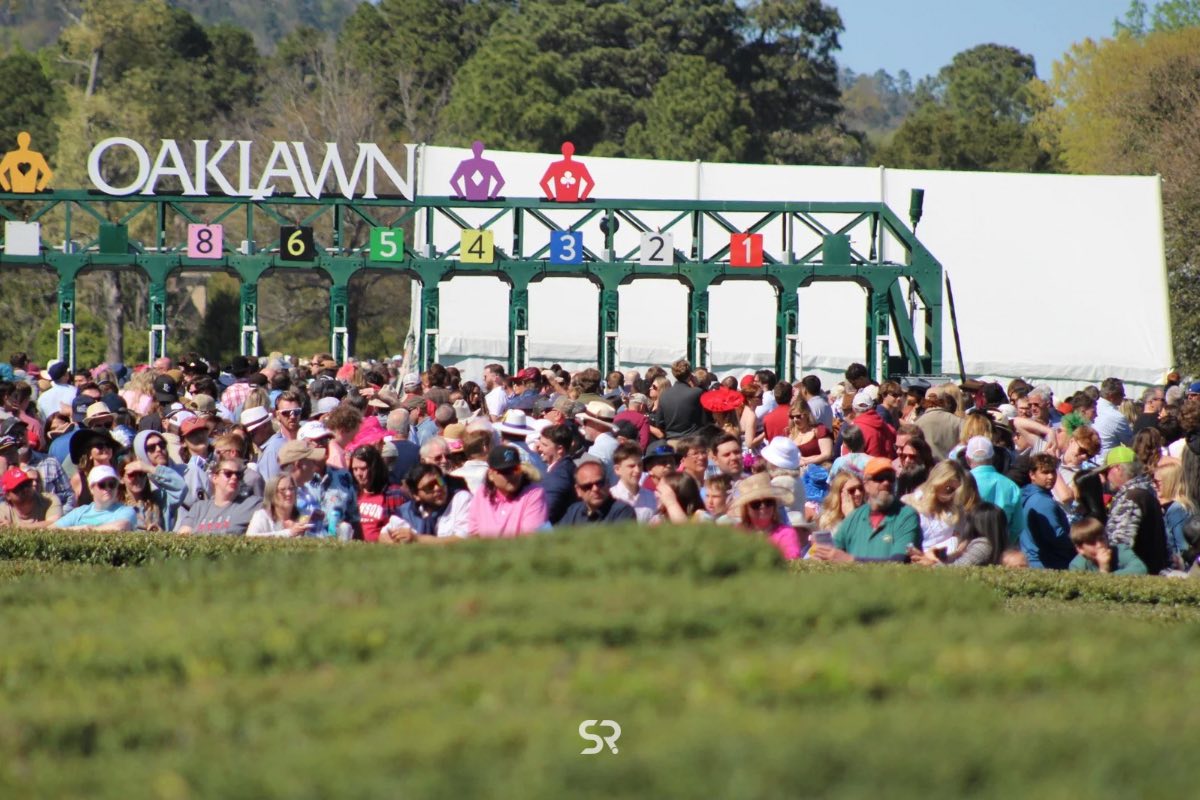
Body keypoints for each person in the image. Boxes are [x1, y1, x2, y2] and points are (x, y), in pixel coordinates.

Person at [810, 457, 921, 562]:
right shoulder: (856, 516)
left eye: (890, 478)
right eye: (879, 478)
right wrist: (821, 553)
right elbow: (834, 552)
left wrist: (851, 560)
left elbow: (899, 562)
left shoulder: (906, 515)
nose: (886, 483)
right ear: (866, 484)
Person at [1102, 445, 1167, 574]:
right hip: (1154, 572)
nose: (1105, 478)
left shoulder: (1130, 498)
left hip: (1136, 577)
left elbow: (1120, 545)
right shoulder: (1146, 492)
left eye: (1106, 472)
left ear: (1118, 468)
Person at [467, 446, 547, 537]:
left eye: (516, 469)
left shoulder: (533, 494)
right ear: (491, 474)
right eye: (506, 471)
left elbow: (530, 538)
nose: (513, 475)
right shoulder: (482, 494)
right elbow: (474, 534)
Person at [904, 460, 978, 552]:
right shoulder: (908, 502)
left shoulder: (957, 510)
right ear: (937, 481)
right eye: (948, 489)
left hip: (944, 561)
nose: (951, 495)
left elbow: (962, 542)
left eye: (956, 490)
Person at [175, 457, 262, 535]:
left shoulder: (253, 504)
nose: (234, 477)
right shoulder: (199, 508)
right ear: (214, 478)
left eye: (238, 475)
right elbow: (183, 536)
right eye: (228, 473)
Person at [964, 435, 1024, 545]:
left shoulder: (960, 484)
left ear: (967, 459)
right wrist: (1005, 545)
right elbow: (1017, 526)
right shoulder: (1011, 486)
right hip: (1001, 549)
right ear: (993, 458)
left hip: (967, 549)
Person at [907, 502, 1007, 567]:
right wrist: (926, 557)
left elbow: (959, 568)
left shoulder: (983, 545)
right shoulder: (988, 543)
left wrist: (932, 565)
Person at [1019, 453, 1074, 569]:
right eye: (1045, 472)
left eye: (1053, 472)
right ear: (1032, 475)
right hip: (1046, 564)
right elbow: (1056, 536)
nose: (1050, 477)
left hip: (1032, 560)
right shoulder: (1043, 502)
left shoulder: (1027, 495)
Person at [55, 465, 138, 531]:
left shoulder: (126, 511)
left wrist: (89, 530)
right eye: (102, 484)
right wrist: (77, 529)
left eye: (112, 484)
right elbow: (50, 530)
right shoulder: (80, 512)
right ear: (91, 488)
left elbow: (121, 527)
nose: (108, 488)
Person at [349, 445, 405, 542]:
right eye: (355, 469)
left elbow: (403, 527)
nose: (358, 474)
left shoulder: (394, 494)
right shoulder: (351, 494)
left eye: (363, 468)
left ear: (374, 468)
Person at [559, 460, 637, 526]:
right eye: (588, 486)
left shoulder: (622, 512)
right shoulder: (574, 511)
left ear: (607, 483)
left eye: (600, 483)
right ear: (578, 490)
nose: (595, 489)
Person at [1069, 516, 1147, 575]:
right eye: (1092, 543)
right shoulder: (1077, 565)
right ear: (1080, 548)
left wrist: (1109, 576)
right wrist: (1103, 569)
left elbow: (1140, 569)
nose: (1099, 545)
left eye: (1101, 539)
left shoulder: (1120, 550)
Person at [655, 358, 705, 440]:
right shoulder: (697, 392)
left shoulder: (664, 395)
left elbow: (659, 423)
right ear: (690, 374)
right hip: (692, 441)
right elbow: (705, 420)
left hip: (671, 441)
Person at [609, 441, 656, 522]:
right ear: (617, 469)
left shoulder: (652, 497)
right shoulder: (611, 498)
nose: (637, 470)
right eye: (631, 466)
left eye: (640, 465)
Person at [1093, 377, 1133, 458]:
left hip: (1090, 460)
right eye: (1121, 394)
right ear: (1111, 396)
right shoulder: (1116, 417)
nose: (1124, 396)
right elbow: (1131, 443)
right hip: (1106, 462)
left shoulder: (1093, 407)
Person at [788, 401, 833, 469]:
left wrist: (805, 461)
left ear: (807, 415)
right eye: (792, 417)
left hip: (819, 472)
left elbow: (827, 454)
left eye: (798, 416)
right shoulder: (790, 434)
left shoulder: (819, 430)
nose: (795, 420)